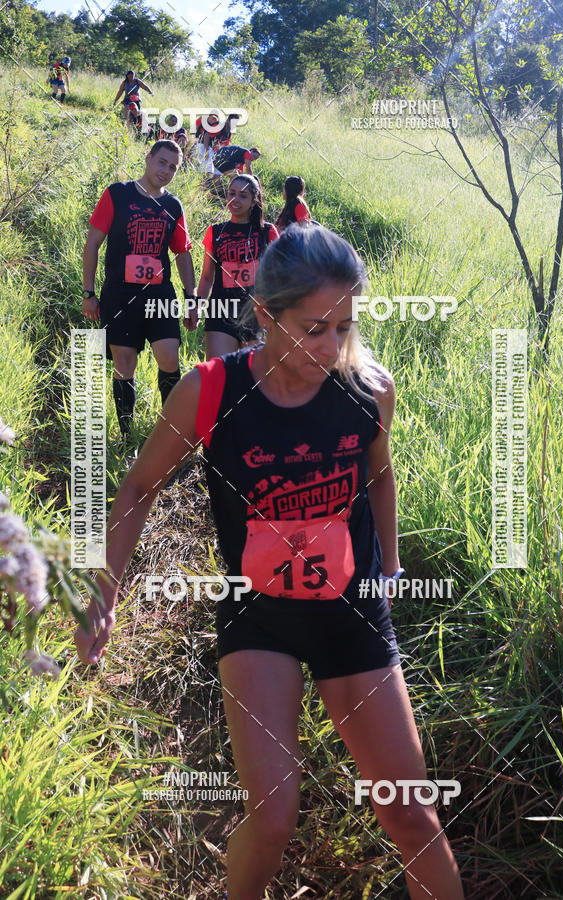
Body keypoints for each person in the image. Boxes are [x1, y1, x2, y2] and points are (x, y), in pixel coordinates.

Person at [75, 223, 465, 900]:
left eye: (344, 325)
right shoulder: (211, 392)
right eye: (313, 328)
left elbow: (379, 475)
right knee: (275, 814)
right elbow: (139, 486)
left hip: (352, 617)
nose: (331, 346)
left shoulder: (369, 389)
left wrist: (392, 563)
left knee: (411, 812)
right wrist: (102, 592)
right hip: (262, 621)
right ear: (264, 316)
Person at [81, 140, 197, 451]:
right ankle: (128, 433)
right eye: (162, 162)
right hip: (120, 294)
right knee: (124, 362)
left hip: (159, 295)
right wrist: (88, 292)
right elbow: (92, 243)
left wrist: (192, 296)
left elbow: (183, 254)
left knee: (170, 357)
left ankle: (173, 431)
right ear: (147, 159)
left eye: (173, 167)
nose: (166, 171)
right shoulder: (117, 194)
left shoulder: (173, 206)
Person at [196, 174, 278, 359]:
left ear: (253, 200)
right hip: (221, 311)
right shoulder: (215, 232)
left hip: (256, 313)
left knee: (252, 379)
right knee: (220, 375)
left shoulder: (267, 232)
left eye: (243, 195)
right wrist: (196, 307)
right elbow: (207, 277)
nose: (235, 199)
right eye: (231, 194)